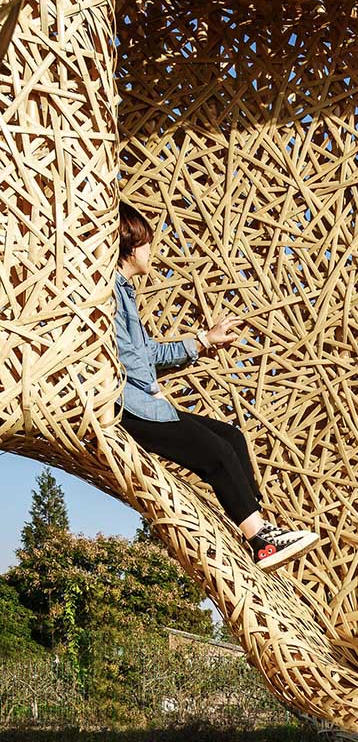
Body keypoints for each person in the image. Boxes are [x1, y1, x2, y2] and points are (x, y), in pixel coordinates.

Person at [113, 201, 318, 571]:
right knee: (216, 453)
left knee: (232, 438)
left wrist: (204, 341)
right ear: (130, 243)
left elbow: (146, 352)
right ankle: (260, 541)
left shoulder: (126, 292)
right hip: (131, 408)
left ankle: (256, 521)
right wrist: (152, 389)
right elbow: (126, 355)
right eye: (147, 242)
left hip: (143, 400)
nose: (151, 251)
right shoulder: (112, 291)